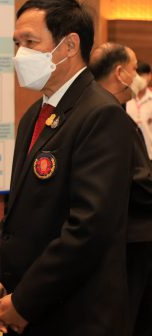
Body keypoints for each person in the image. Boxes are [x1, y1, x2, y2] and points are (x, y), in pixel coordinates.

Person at [0, 0, 134, 336]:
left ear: (69, 46)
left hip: (76, 315)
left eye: (30, 42)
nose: (20, 54)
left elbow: (88, 228)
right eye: (17, 43)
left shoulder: (101, 114)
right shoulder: (33, 116)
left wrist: (25, 302)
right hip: (31, 309)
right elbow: (16, 211)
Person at [89, 42, 152, 336]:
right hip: (132, 237)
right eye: (134, 68)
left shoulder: (97, 110)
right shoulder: (110, 116)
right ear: (120, 73)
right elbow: (136, 182)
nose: (138, 77)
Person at [126, 60, 152, 160]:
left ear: (150, 76)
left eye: (142, 75)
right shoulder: (126, 99)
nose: (139, 79)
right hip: (132, 156)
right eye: (137, 75)